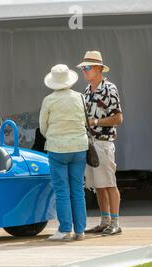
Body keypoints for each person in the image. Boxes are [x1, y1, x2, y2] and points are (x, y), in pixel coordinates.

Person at [39, 64, 88, 241]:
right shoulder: (80, 97)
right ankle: (80, 230)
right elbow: (85, 120)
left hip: (57, 148)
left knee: (61, 190)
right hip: (80, 147)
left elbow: (43, 127)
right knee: (78, 190)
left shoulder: (49, 100)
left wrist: (54, 136)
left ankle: (65, 229)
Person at [77, 51, 124, 236]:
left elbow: (119, 118)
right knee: (98, 185)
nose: (84, 71)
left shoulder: (109, 88)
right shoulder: (87, 91)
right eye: (83, 68)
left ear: (98, 69)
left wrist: (95, 122)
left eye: (87, 67)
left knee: (109, 183)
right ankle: (105, 221)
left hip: (103, 142)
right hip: (91, 143)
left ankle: (115, 222)